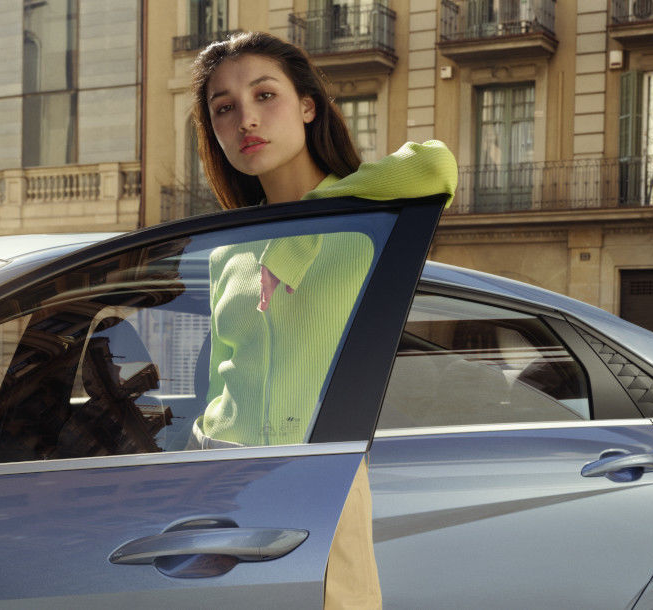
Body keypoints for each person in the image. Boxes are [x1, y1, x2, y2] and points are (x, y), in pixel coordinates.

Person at [188, 31, 457, 608]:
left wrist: (299, 230)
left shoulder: (366, 221)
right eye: (225, 108)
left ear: (308, 106)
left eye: (266, 96)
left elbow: (436, 164)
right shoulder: (227, 250)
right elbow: (223, 379)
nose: (245, 120)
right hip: (224, 481)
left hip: (320, 478)